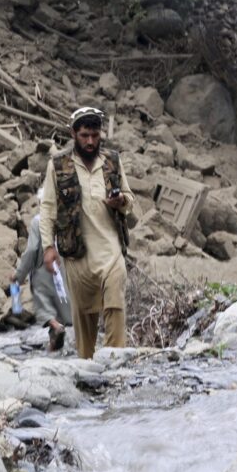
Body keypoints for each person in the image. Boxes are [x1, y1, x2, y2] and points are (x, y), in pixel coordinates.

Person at [39, 106, 137, 359]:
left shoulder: (112, 162)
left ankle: (116, 359)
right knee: (84, 316)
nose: (90, 141)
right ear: (73, 133)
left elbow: (129, 198)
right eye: (84, 136)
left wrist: (121, 203)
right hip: (77, 254)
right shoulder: (58, 166)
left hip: (111, 248)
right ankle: (86, 364)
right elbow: (48, 208)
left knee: (115, 301)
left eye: (95, 135)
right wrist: (48, 248)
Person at [12, 211, 72, 351]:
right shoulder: (65, 218)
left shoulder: (38, 221)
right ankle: (55, 345)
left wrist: (19, 275)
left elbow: (32, 249)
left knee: (44, 308)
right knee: (60, 308)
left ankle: (56, 328)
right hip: (63, 270)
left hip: (43, 269)